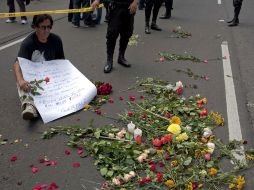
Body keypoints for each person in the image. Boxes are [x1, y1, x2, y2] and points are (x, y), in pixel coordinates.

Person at [13, 14, 65, 120]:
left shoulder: (56, 40)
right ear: (35, 27)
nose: (46, 30)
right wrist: (20, 80)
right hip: (32, 74)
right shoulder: (28, 43)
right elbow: (17, 64)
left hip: (50, 73)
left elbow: (61, 62)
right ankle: (29, 106)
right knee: (25, 84)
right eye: (43, 27)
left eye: (49, 27)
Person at [95, 0, 138, 73]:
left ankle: (121, 57)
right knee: (112, 34)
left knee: (126, 34)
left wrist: (135, 2)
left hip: (129, 8)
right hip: (115, 8)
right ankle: (109, 60)